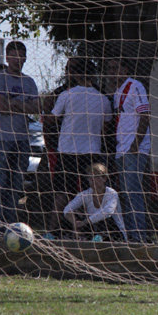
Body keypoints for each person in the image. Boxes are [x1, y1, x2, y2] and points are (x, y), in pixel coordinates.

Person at [44, 57, 112, 236]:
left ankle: (52, 232)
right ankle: (95, 233)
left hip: (68, 151)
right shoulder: (103, 99)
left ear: (77, 74)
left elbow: (52, 119)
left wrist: (44, 109)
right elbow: (105, 130)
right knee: (94, 194)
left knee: (62, 194)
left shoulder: (66, 95)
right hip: (92, 153)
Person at [0, 41, 40, 226]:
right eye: (14, 56)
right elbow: (0, 107)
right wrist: (23, 105)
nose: (18, 60)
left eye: (22, 56)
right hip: (2, 139)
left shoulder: (29, 82)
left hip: (22, 139)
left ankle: (11, 225)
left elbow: (37, 108)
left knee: (16, 186)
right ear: (8, 58)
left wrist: (15, 103)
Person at [107, 58, 151, 242]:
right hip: (122, 149)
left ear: (125, 69)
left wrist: (136, 143)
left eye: (116, 68)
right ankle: (130, 233)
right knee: (125, 193)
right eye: (109, 68)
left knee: (133, 192)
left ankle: (138, 235)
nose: (112, 72)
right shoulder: (117, 92)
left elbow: (145, 115)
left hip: (134, 149)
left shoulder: (134, 85)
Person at [63, 163, 126, 241]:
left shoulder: (112, 193)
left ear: (104, 178)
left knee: (104, 219)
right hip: (93, 230)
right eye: (90, 177)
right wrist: (76, 224)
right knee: (74, 215)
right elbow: (66, 209)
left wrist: (84, 222)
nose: (92, 180)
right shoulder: (85, 194)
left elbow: (108, 212)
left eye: (95, 177)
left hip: (113, 232)